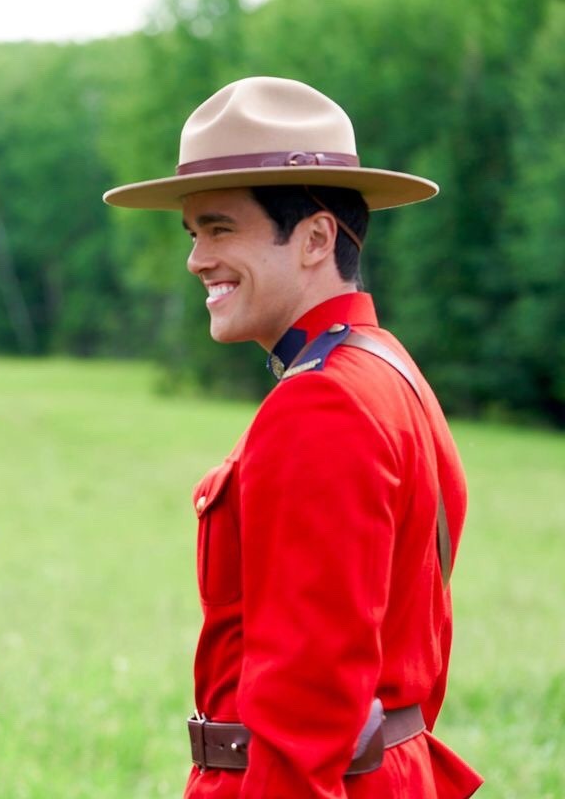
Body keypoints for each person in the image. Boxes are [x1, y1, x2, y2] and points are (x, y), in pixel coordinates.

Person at [104, 77, 483, 797]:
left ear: (314, 238)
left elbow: (306, 706)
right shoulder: (388, 368)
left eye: (219, 229)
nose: (196, 260)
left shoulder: (320, 403)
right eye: (193, 234)